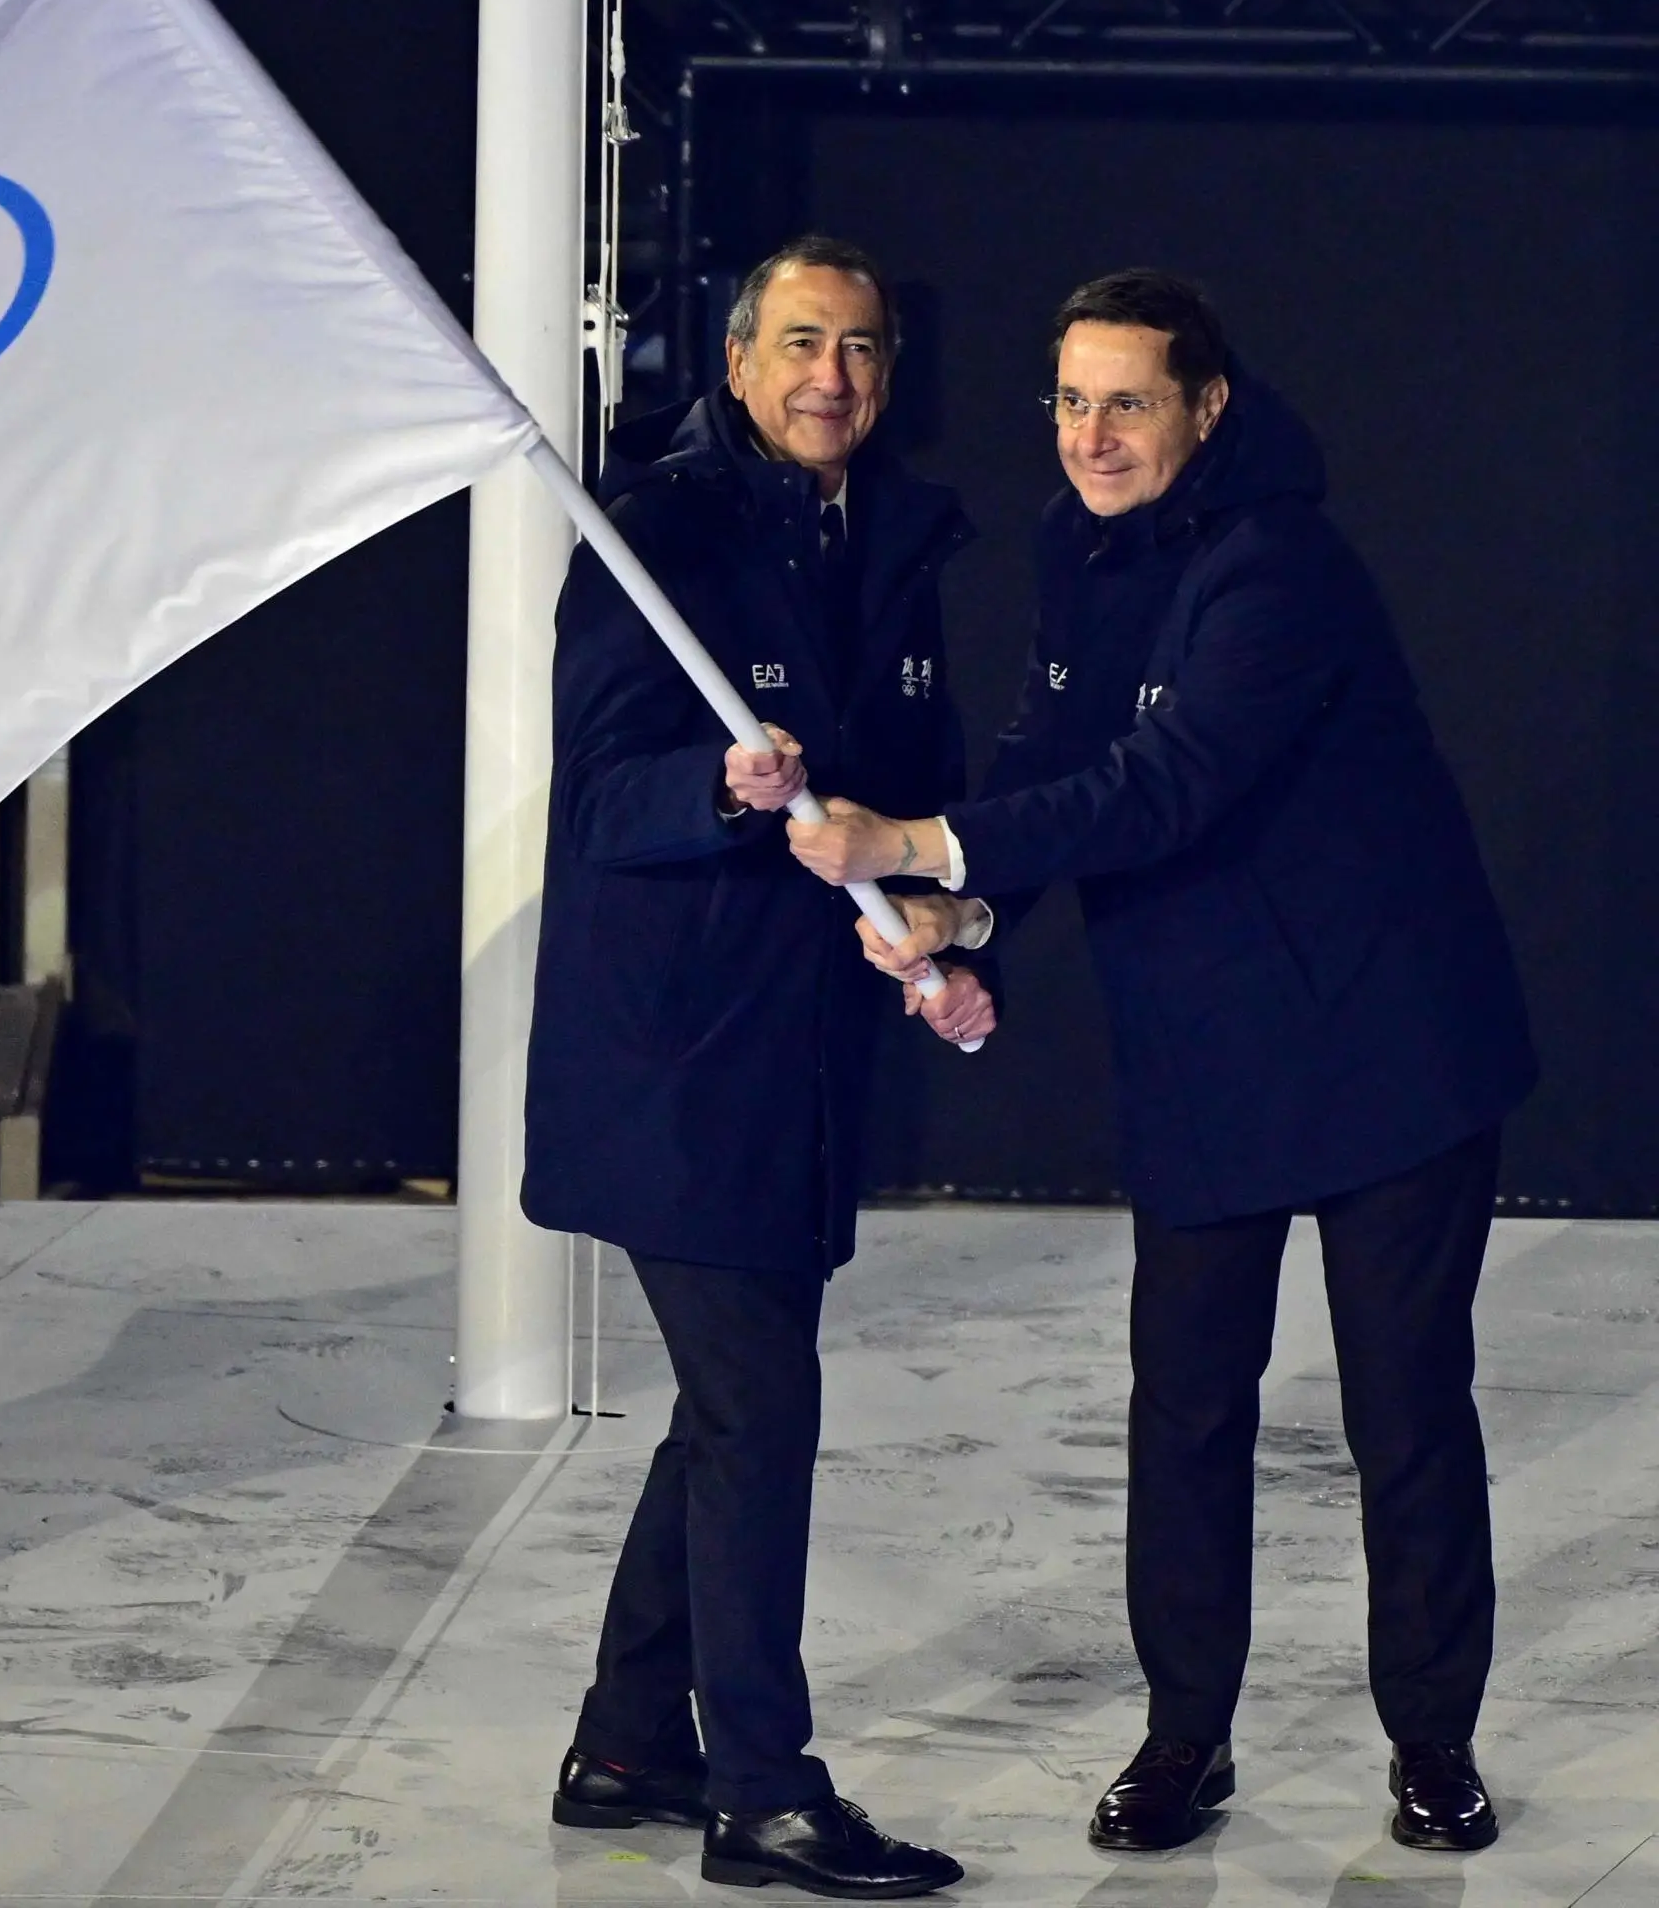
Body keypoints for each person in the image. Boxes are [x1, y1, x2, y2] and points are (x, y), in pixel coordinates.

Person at [788, 269, 1534, 1857]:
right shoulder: (1085, 550)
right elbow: (1057, 761)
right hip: (1209, 1052)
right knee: (1186, 1405)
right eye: (1069, 399)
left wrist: (910, 837)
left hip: (1389, 1044)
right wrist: (965, 912)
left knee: (1405, 1407)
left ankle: (1434, 1743)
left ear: (1207, 407)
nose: (1093, 433)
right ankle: (1186, 1737)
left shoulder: (1283, 565)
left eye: (1128, 399)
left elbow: (1168, 784)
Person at [525, 234, 989, 1900]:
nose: (831, 378)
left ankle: (631, 1742)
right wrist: (719, 788)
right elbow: (596, 800)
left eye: (859, 348)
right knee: (757, 1405)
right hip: (672, 1053)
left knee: (728, 1405)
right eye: (798, 344)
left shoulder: (899, 533)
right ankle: (761, 1790)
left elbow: (911, 780)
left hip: (797, 1049)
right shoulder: (656, 539)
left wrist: (938, 919)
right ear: (733, 364)